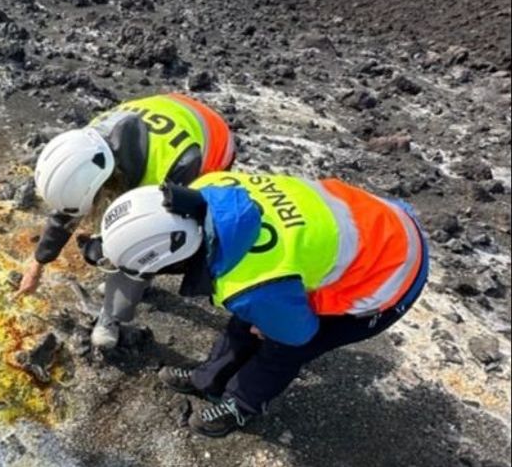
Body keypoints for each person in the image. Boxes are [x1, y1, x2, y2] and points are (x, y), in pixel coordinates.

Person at [93, 171, 430, 437]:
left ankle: (242, 403)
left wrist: (272, 323)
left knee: (284, 346)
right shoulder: (209, 186)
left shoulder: (251, 282)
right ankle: (206, 379)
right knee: (246, 318)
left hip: (393, 273)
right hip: (370, 219)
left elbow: (298, 333)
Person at [16, 93, 235, 349]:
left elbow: (151, 236)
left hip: (212, 143)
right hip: (173, 111)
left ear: (107, 181)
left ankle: (112, 318)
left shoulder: (173, 167)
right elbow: (69, 209)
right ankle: (131, 287)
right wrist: (38, 263)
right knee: (113, 243)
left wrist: (118, 253)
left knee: (134, 244)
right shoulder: (89, 147)